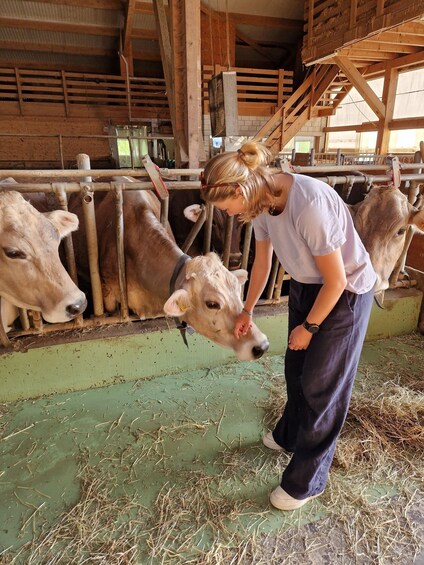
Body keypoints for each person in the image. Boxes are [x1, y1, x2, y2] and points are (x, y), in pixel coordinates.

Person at [200, 141, 376, 511]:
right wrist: (247, 310)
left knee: (322, 385)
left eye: (226, 206)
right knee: (295, 369)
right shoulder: (261, 202)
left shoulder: (307, 204)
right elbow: (262, 262)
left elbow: (337, 281)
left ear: (240, 189)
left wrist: (309, 327)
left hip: (345, 292)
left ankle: (307, 482)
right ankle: (290, 435)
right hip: (307, 286)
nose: (228, 213)